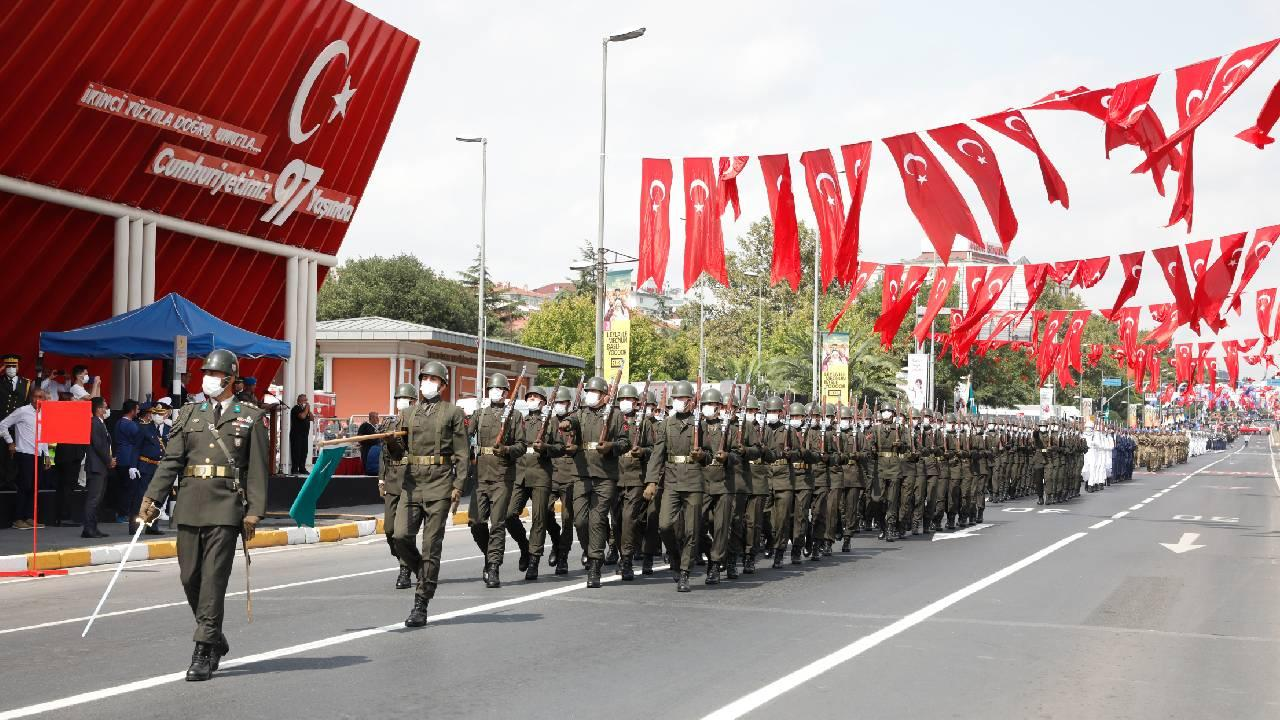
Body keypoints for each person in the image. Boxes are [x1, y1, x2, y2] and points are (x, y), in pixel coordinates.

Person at [136, 349, 269, 682]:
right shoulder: (189, 414)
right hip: (190, 504)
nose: (207, 379)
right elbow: (171, 462)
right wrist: (152, 498)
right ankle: (215, 636)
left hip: (226, 506)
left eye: (214, 374)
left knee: (213, 580)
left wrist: (254, 512)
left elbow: (257, 470)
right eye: (205, 373)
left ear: (230, 379)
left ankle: (203, 651)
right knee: (189, 577)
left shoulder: (250, 417)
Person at [387, 360, 469, 628]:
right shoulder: (408, 413)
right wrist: (390, 442)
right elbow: (398, 454)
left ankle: (421, 603)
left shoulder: (453, 413)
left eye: (433, 379)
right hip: (412, 484)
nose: (426, 383)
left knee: (431, 545)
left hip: (440, 483)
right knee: (400, 536)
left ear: (443, 385)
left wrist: (458, 486)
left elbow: (462, 453)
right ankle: (424, 573)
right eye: (424, 379)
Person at [565, 375, 629, 588]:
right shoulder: (581, 413)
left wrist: (611, 446)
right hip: (581, 473)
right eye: (589, 392)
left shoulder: (616, 415)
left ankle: (595, 565)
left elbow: (625, 442)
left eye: (595, 392)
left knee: (598, 519)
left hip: (605, 475)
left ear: (604, 395)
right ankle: (589, 549)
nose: (591, 395)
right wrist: (566, 424)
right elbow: (571, 421)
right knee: (580, 521)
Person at [469, 372, 526, 588]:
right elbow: (464, 436)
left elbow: (521, 445)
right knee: (476, 523)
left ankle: (493, 566)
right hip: (481, 474)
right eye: (492, 388)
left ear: (505, 393)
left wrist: (507, 450)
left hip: (503, 475)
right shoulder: (479, 414)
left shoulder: (515, 416)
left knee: (498, 523)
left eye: (499, 389)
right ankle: (489, 555)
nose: (495, 392)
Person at [649, 381, 703, 592]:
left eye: (683, 398)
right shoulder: (666, 425)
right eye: (677, 399)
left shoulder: (700, 424)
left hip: (694, 480)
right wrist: (651, 481)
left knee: (691, 530)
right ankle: (674, 556)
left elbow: (710, 452)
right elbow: (657, 455)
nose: (679, 402)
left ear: (691, 401)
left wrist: (703, 455)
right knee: (664, 525)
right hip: (671, 480)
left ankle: (684, 572)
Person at [511, 385, 564, 581]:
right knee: (509, 514)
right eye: (529, 397)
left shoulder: (550, 422)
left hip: (541, 474)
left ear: (543, 402)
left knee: (539, 518)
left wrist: (546, 448)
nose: (531, 399)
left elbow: (560, 447)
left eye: (535, 397)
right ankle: (524, 547)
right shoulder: (520, 421)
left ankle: (534, 559)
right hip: (520, 474)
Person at [379, 383, 417, 590]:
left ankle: (405, 569)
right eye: (399, 399)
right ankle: (405, 557)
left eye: (405, 399)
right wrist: (381, 479)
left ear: (413, 402)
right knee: (389, 529)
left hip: (409, 480)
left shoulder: (417, 424)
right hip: (392, 479)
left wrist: (395, 441)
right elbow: (384, 455)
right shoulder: (389, 423)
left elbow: (405, 450)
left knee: (404, 531)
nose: (401, 402)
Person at [1, 388, 53, 529]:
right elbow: (3, 425)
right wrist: (10, 442)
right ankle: (18, 519)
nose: (37, 400)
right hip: (25, 453)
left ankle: (29, 517)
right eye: (35, 396)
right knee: (25, 486)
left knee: (35, 488)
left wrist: (48, 456)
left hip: (38, 454)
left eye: (40, 397)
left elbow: (44, 436)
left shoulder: (44, 414)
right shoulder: (22, 411)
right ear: (31, 397)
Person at [130, 403, 169, 535]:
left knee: (157, 498)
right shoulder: (144, 428)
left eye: (160, 414)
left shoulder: (170, 429)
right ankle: (135, 526)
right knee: (141, 496)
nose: (158, 416)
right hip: (146, 466)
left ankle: (152, 526)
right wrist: (133, 466)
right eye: (155, 413)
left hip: (161, 467)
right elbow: (136, 448)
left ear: (166, 415)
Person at [1, 353, 34, 495]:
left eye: (13, 366)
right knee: (2, 452)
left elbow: (27, 404)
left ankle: (11, 480)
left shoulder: (26, 383)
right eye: (8, 366)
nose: (11, 368)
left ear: (18, 367)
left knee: (16, 454)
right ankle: (2, 480)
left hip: (18, 425)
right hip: (2, 423)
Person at [82, 397, 114, 537]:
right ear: (99, 409)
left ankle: (93, 527)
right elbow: (98, 445)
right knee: (93, 499)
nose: (106, 409)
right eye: (105, 406)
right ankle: (88, 528)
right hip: (96, 466)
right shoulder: (94, 422)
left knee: (98, 499)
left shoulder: (101, 423)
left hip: (101, 466)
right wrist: (109, 460)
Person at [114, 400, 142, 530]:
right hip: (129, 459)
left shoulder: (118, 422)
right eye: (137, 409)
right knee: (130, 489)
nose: (138, 411)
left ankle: (121, 513)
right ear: (132, 410)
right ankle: (125, 514)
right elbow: (139, 439)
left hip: (120, 457)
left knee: (122, 488)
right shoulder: (132, 425)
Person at [289, 394, 313, 473]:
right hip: (297, 434)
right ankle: (295, 469)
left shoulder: (305, 410)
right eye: (304, 400)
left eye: (306, 400)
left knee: (304, 452)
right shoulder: (296, 408)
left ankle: (302, 468)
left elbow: (312, 418)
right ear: (299, 401)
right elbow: (302, 416)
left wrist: (308, 410)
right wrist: (306, 409)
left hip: (304, 435)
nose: (306, 402)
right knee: (297, 452)